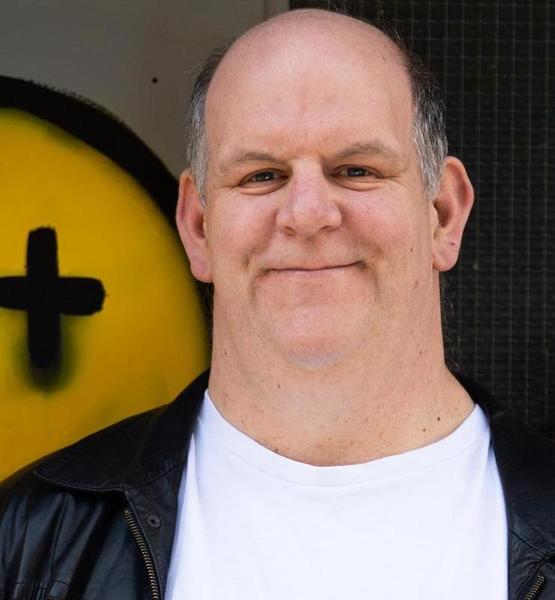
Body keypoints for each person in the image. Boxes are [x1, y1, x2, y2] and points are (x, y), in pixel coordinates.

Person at [1, 8, 554, 600]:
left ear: (443, 214)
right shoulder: (30, 540)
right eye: (262, 176)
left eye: (356, 169)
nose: (307, 214)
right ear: (197, 227)